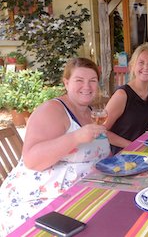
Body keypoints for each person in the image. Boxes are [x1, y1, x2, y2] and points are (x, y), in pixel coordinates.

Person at [0, 57, 110, 235]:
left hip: (83, 194)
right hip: (42, 204)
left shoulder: (90, 112)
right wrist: (75, 137)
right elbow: (32, 160)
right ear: (66, 82)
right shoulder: (53, 110)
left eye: (92, 81)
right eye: (79, 80)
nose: (87, 86)